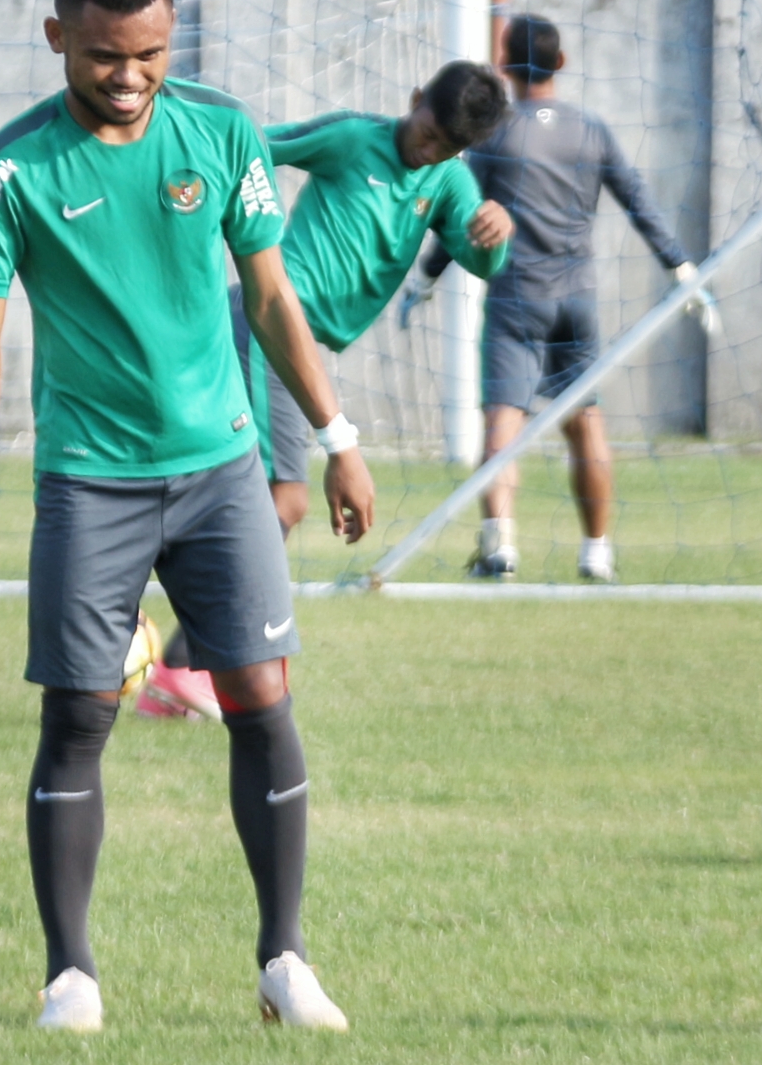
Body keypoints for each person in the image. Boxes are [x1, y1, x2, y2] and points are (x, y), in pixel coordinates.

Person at [0, 0, 375, 1033]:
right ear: (57, 40)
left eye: (147, 53)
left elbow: (273, 300)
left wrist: (335, 435)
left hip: (223, 470)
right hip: (90, 482)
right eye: (101, 56)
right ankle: (69, 978)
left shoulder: (219, 132)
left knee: (262, 701)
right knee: (80, 717)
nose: (127, 76)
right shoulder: (10, 171)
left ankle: (284, 962)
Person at [139, 62, 515, 720]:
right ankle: (180, 662)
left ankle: (180, 646)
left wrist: (492, 239)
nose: (427, 151)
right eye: (427, 133)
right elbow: (253, 147)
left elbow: (478, 259)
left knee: (245, 496)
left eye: (446, 148)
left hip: (299, 348)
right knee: (282, 503)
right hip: (271, 325)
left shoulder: (450, 181)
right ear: (415, 97)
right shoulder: (351, 138)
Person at [418, 13, 716, 583]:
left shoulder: (496, 133)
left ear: (505, 64)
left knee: (504, 419)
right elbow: (637, 200)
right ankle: (596, 551)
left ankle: (499, 548)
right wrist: (680, 264)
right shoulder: (591, 129)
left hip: (515, 300)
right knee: (586, 423)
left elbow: (464, 218)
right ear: (561, 62)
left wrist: (428, 275)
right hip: (577, 299)